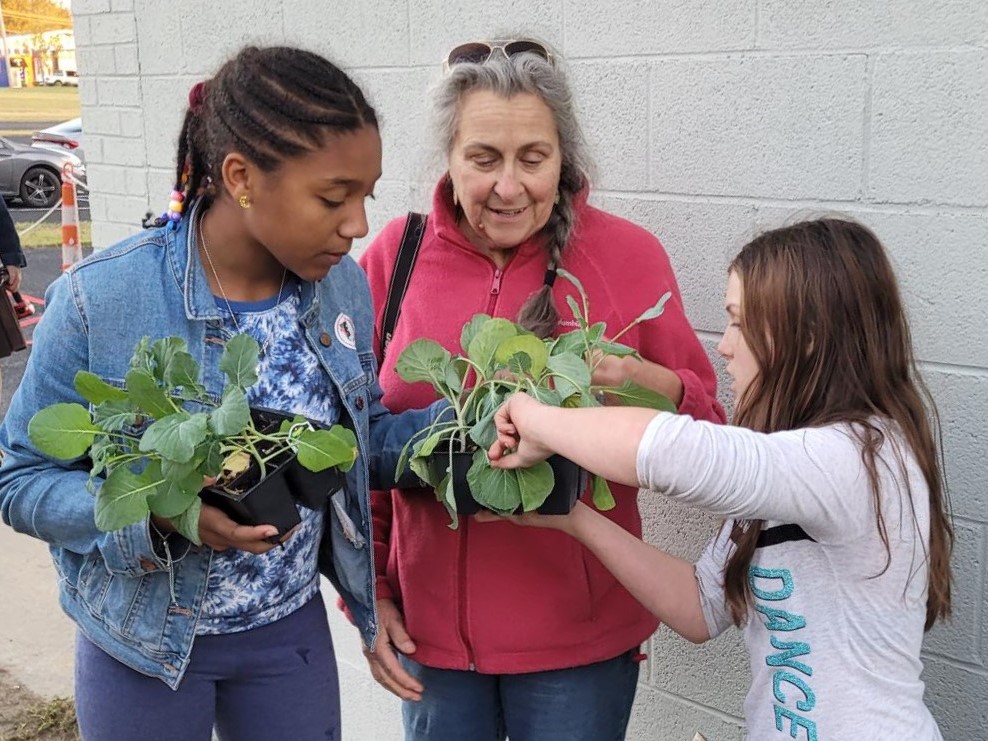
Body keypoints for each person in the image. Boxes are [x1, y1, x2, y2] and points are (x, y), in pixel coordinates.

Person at [0, 46, 443, 741]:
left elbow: (360, 442)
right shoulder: (102, 298)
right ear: (240, 177)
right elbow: (21, 480)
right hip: (141, 645)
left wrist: (465, 428)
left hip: (285, 633)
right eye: (333, 197)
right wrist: (161, 516)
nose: (357, 224)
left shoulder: (340, 288)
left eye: (366, 196)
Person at [357, 38, 725, 740]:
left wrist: (642, 380)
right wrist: (371, 592)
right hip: (434, 649)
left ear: (564, 158)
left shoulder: (628, 256)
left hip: (577, 651)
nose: (508, 186)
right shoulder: (393, 258)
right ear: (450, 157)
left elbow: (704, 429)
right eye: (483, 158)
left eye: (533, 158)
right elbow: (363, 446)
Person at [486, 218, 954, 740]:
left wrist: (535, 417)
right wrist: (573, 518)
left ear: (809, 337)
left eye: (739, 322)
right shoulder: (789, 462)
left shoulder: (863, 456)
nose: (725, 346)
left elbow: (671, 452)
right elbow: (701, 607)